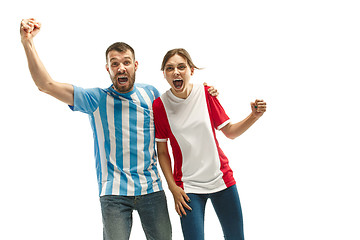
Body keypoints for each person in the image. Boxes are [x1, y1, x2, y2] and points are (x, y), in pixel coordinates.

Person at [153, 48, 267, 240]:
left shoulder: (206, 94)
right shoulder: (160, 105)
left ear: (191, 71)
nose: (176, 72)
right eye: (170, 68)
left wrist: (254, 116)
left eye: (181, 67)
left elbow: (230, 132)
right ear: (164, 73)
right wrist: (173, 188)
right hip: (187, 187)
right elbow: (162, 151)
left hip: (221, 179)